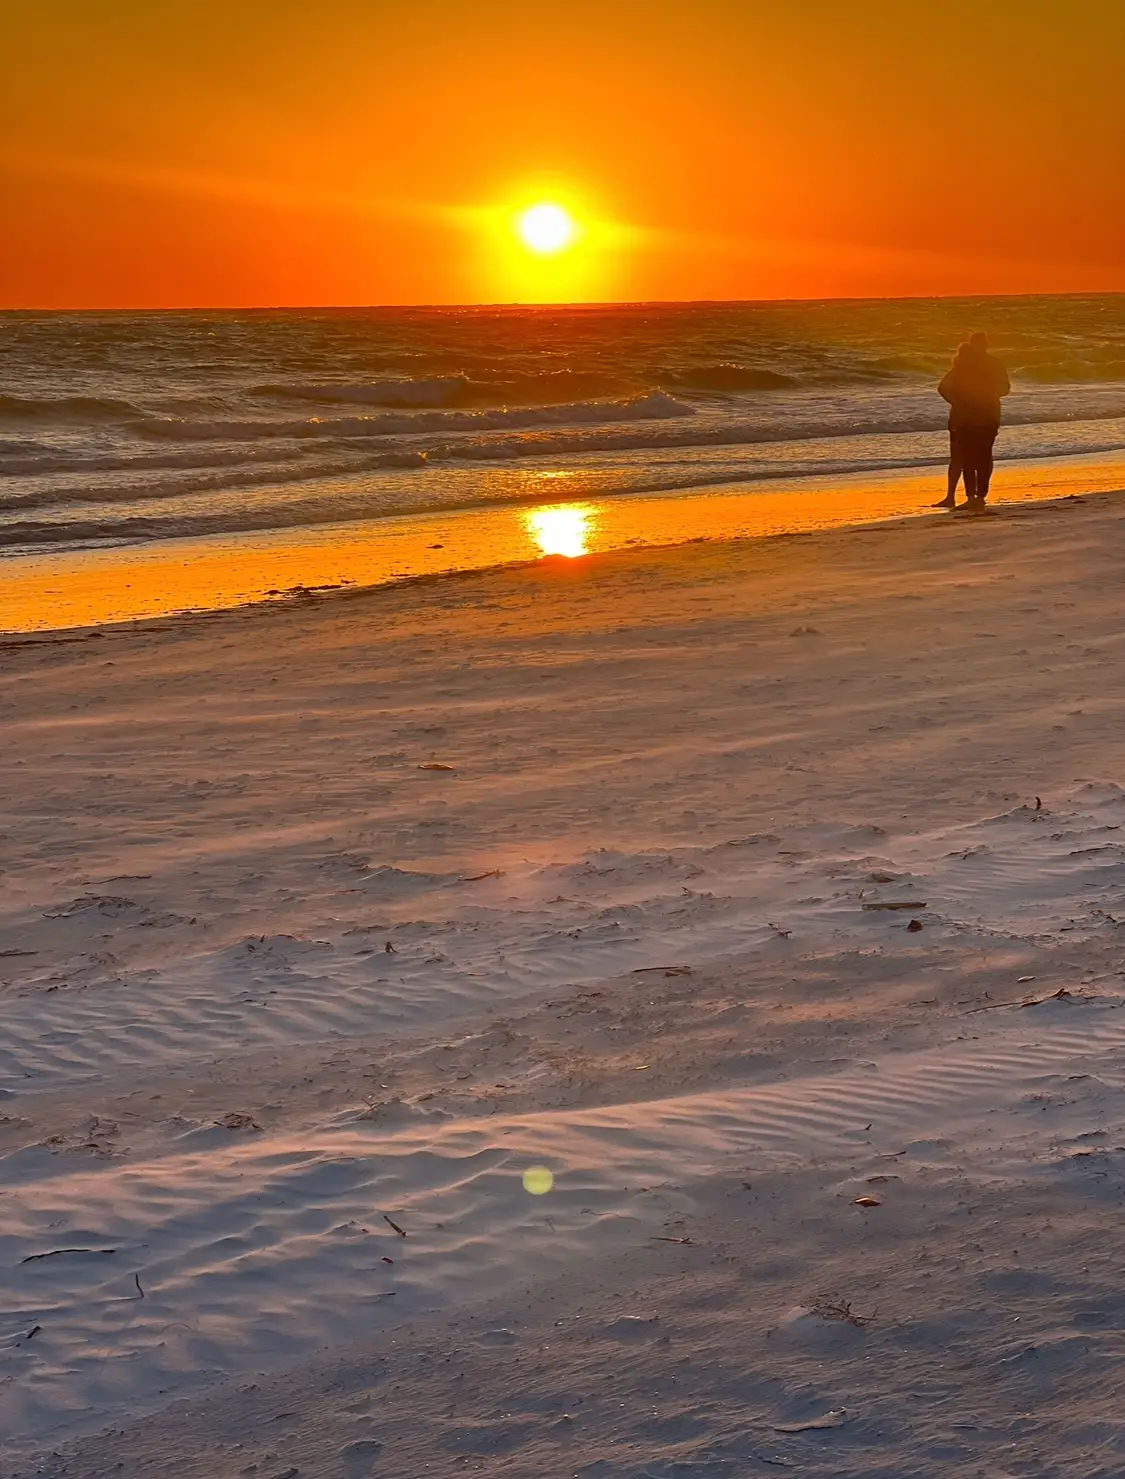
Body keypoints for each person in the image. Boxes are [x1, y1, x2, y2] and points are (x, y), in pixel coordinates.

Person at [936, 332, 1010, 509]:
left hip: (968, 418)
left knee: (968, 458)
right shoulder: (986, 366)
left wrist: (962, 401)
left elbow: (943, 388)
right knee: (979, 457)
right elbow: (1004, 389)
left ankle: (970, 497)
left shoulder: (964, 367)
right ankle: (973, 496)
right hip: (984, 416)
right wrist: (986, 398)